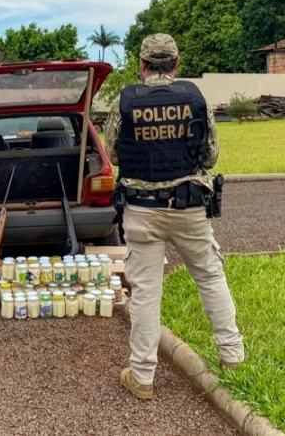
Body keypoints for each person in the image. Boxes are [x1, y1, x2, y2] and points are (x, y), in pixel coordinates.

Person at [106, 34, 244, 400]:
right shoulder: (196, 97)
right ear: (176, 65)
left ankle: (143, 378)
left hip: (142, 210)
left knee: (147, 293)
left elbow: (112, 153)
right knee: (211, 278)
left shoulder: (126, 101)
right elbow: (211, 155)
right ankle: (233, 357)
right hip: (190, 208)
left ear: (142, 65)